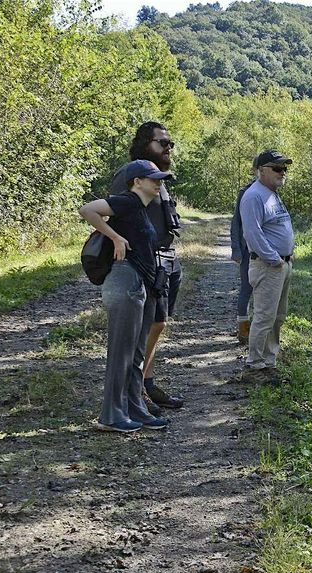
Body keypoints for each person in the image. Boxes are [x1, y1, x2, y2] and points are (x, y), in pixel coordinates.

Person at [80, 160, 174, 433]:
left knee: (135, 353)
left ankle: (135, 408)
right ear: (137, 182)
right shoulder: (128, 201)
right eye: (153, 178)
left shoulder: (141, 209)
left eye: (160, 179)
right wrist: (114, 238)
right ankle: (111, 415)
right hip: (124, 281)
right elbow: (87, 210)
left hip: (140, 284)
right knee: (121, 352)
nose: (159, 183)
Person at [110, 121, 184, 413]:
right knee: (138, 332)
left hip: (164, 262)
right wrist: (117, 240)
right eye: (161, 143)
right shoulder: (130, 175)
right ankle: (133, 394)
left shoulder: (158, 179)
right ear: (144, 145)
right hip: (141, 264)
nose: (168, 148)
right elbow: (108, 211)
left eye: (170, 144)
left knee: (158, 323)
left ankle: (146, 383)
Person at [238, 150, 295, 384]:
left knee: (278, 316)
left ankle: (269, 363)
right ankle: (254, 366)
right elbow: (253, 234)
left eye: (284, 169)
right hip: (268, 265)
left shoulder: (271, 194)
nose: (283, 173)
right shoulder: (254, 196)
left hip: (283, 263)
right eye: (277, 168)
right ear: (261, 171)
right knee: (264, 316)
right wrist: (274, 259)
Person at [229, 169, 255, 344]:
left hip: (270, 253)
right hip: (248, 251)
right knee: (246, 289)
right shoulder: (246, 192)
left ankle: (259, 330)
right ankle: (243, 330)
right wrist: (236, 249)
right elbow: (236, 221)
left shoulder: (273, 193)